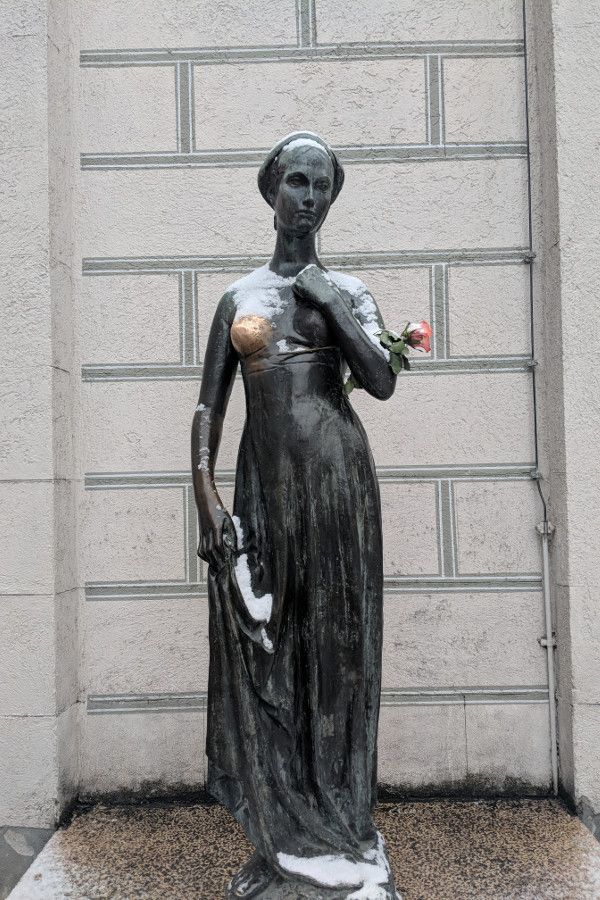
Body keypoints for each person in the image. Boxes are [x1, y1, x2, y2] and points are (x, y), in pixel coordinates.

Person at [191, 131, 399, 899]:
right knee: (268, 651)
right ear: (272, 190)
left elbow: (379, 379)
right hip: (263, 492)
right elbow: (210, 404)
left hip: (339, 489)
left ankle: (346, 830)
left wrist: (330, 302)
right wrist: (206, 496)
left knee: (338, 659)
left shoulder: (347, 291)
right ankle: (281, 838)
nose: (308, 198)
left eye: (321, 188)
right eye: (297, 182)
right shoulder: (238, 298)